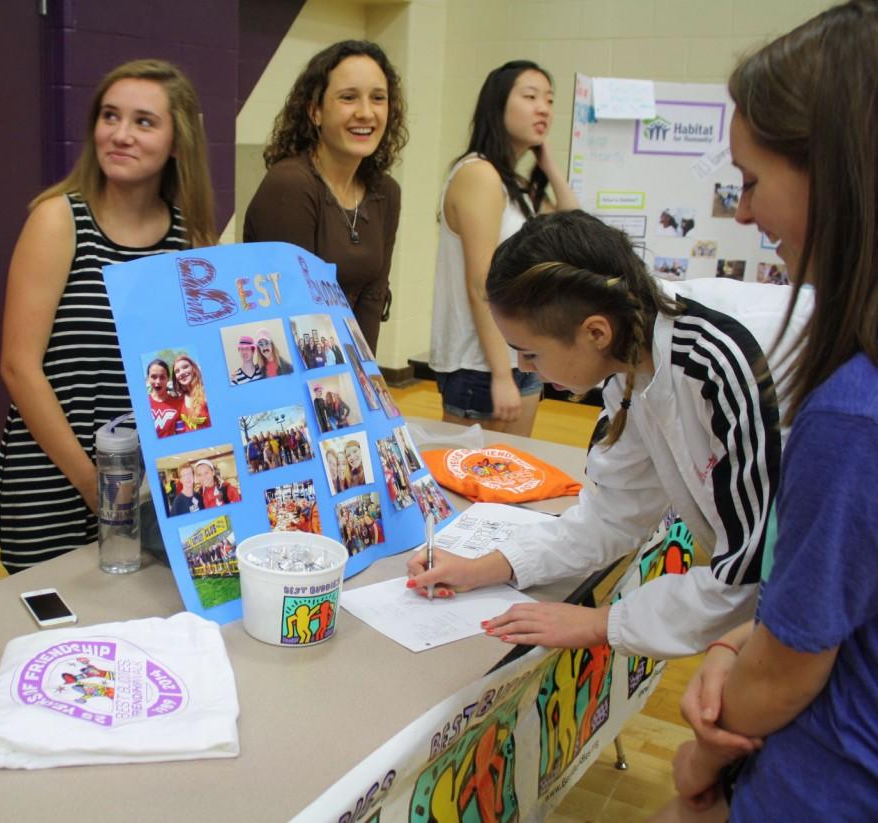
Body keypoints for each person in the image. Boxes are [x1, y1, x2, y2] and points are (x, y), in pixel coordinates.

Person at [649, 3, 877, 820]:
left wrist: (701, 756)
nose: (742, 214)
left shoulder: (852, 413)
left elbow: (794, 665)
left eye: (750, 183)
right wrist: (741, 643)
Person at [409, 208, 812, 659]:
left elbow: (748, 572)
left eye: (530, 353)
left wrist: (603, 622)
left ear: (595, 332)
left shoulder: (717, 360)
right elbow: (614, 512)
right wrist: (488, 567)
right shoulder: (632, 360)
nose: (524, 369)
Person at [0, 59, 215, 573]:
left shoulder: (190, 238)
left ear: (177, 143)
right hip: (55, 471)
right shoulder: (58, 220)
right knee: (53, 630)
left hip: (149, 478)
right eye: (110, 117)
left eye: (144, 121)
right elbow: (18, 367)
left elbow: (189, 373)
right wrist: (99, 487)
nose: (121, 134)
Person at [429, 60, 579, 437]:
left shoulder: (515, 185)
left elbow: (579, 230)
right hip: (481, 364)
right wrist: (500, 374)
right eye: (530, 97)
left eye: (548, 99)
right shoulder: (478, 174)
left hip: (517, 356)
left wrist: (549, 165)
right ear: (497, 107)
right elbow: (481, 283)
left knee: (511, 480)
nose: (543, 107)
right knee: (473, 483)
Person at [243, 40, 408, 353]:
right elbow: (293, 314)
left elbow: (373, 299)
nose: (366, 112)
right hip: (288, 369)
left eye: (378, 98)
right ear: (315, 111)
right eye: (348, 98)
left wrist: (367, 386)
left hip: (343, 372)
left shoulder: (386, 193)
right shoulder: (291, 185)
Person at [172, 353, 211, 431]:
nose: (182, 373)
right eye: (177, 371)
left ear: (193, 368)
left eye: (185, 367)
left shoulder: (207, 394)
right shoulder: (179, 400)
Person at [146, 358, 182, 438]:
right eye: (153, 377)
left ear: (168, 379)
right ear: (148, 378)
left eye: (162, 377)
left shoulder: (178, 404)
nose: (158, 382)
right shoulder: (141, 404)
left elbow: (181, 435)